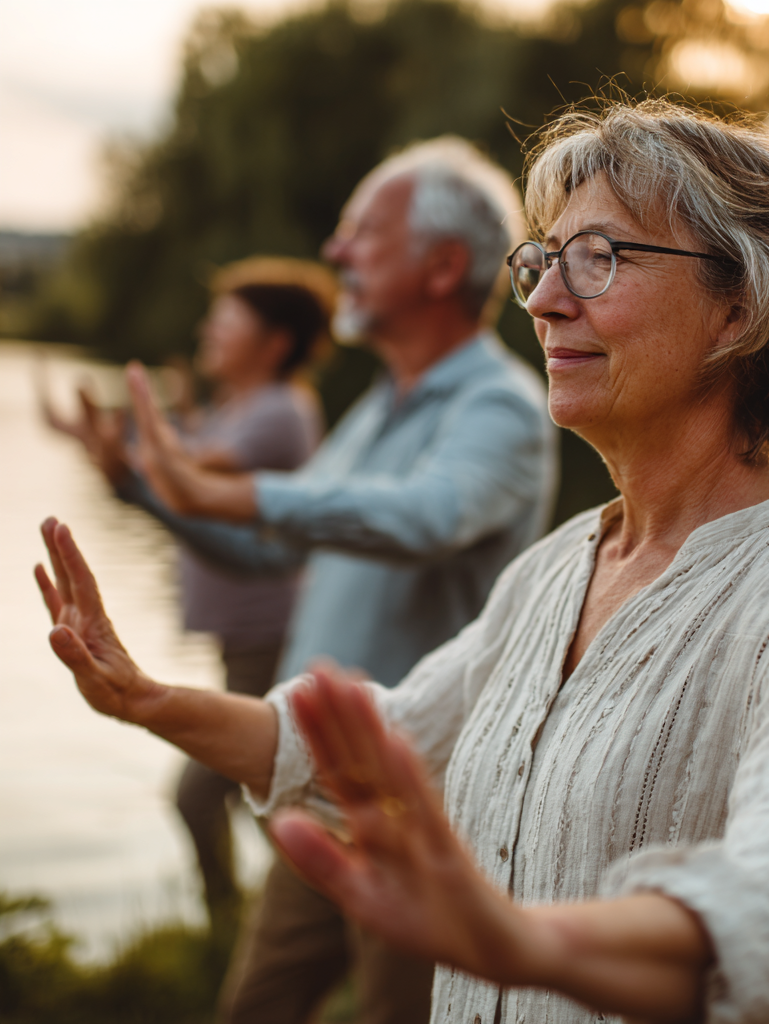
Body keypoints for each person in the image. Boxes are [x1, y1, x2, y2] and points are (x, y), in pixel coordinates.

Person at [37, 98, 769, 1024]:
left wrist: (528, 945)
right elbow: (388, 741)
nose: (542, 301)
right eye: (544, 260)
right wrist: (146, 698)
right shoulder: (556, 570)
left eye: (599, 257)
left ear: (739, 306)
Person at [84, 137, 558, 1024]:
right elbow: (274, 551)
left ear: (441, 267)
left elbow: (427, 516)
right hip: (324, 789)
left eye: (363, 233)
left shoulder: (501, 406)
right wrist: (149, 490)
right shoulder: (378, 406)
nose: (336, 252)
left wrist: (231, 490)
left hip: (421, 809)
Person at [38, 256, 332, 940]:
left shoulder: (279, 412)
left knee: (203, 794)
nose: (209, 330)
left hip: (271, 637)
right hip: (246, 638)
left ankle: (239, 931)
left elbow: (181, 471)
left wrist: (126, 458)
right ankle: (282, 922)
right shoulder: (240, 408)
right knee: (273, 798)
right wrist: (107, 444)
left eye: (226, 320)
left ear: (274, 342)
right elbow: (173, 457)